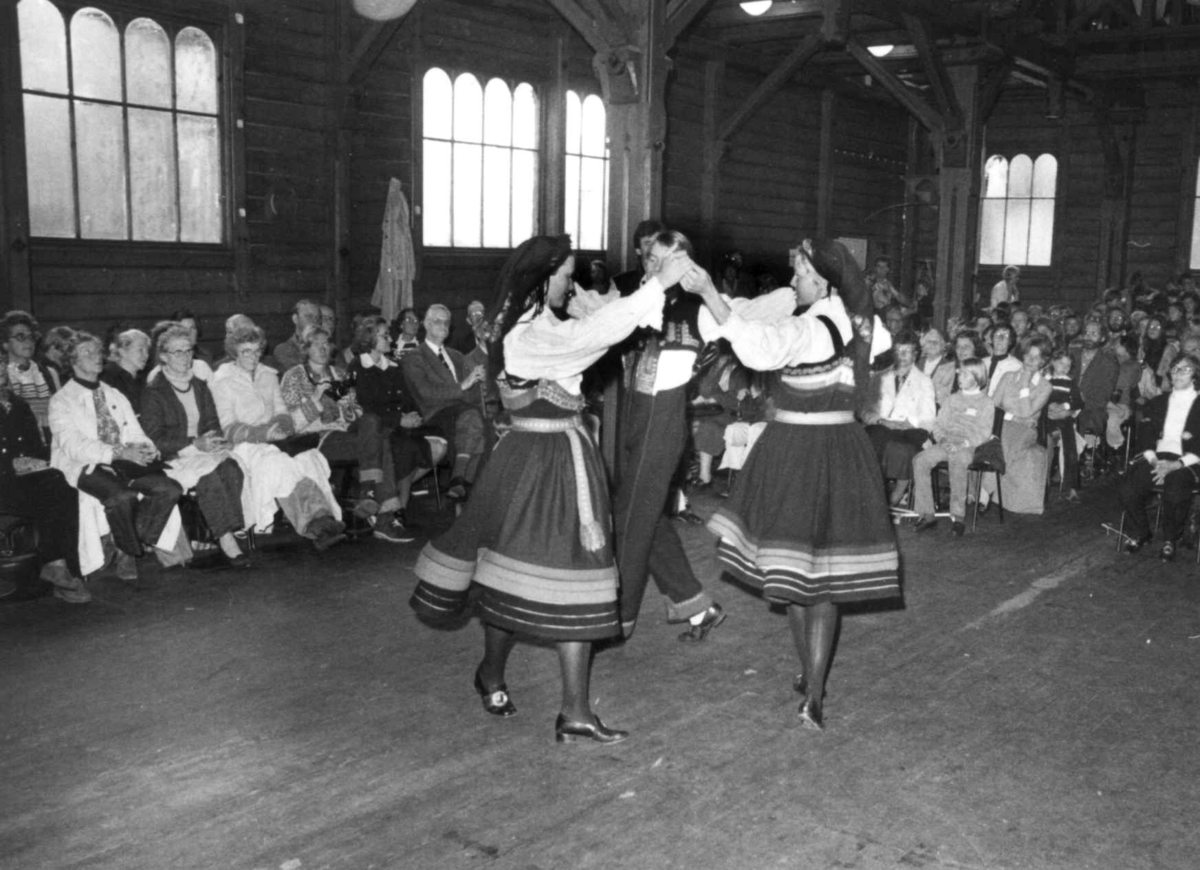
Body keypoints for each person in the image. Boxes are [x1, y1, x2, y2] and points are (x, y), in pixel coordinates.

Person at [410, 234, 691, 744]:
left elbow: (589, 331)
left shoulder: (541, 326)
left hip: (560, 461)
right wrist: (655, 286)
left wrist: (631, 296)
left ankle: (574, 710)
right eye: (565, 274)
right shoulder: (528, 337)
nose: (570, 283)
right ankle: (492, 672)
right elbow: (591, 338)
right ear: (543, 280)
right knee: (512, 578)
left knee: (573, 579)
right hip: (534, 466)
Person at [683, 237, 900, 730]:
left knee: (799, 575)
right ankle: (813, 683)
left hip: (797, 455)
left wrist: (712, 297)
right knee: (823, 576)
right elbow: (878, 346)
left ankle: (814, 680)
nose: (793, 283)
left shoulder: (809, 328)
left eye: (800, 275)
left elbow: (761, 350)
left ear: (821, 281)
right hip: (845, 452)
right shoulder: (863, 322)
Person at [612, 230, 726, 642]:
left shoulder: (700, 309)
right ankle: (696, 606)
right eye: (650, 258)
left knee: (630, 519)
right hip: (631, 414)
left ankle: (617, 620)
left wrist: (711, 291)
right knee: (645, 515)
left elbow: (736, 323)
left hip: (663, 419)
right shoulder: (637, 300)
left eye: (665, 260)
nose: (653, 266)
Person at [49, 332, 185, 585]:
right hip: (86, 464)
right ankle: (128, 549)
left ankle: (126, 543)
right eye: (87, 353)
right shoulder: (62, 400)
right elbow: (73, 446)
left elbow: (135, 431)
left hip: (122, 459)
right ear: (72, 361)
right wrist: (117, 453)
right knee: (123, 496)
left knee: (170, 489)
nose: (96, 357)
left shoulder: (113, 394)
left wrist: (145, 448)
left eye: (97, 351)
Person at [211, 324, 346, 551]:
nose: (253, 357)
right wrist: (263, 433)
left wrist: (280, 427)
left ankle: (325, 518)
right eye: (246, 352)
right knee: (278, 462)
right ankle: (314, 524)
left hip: (276, 439)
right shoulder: (222, 381)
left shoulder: (268, 375)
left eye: (256, 351)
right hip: (244, 445)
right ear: (234, 353)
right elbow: (227, 427)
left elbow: (282, 411)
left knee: (309, 458)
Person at [140, 324, 252, 568]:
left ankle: (220, 529)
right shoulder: (154, 392)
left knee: (232, 469)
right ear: (164, 356)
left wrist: (216, 440)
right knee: (209, 479)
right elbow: (155, 438)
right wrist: (194, 444)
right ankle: (226, 539)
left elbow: (212, 422)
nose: (185, 357)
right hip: (173, 457)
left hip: (203, 451)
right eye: (177, 352)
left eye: (188, 351)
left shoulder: (200, 386)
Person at [0, 348, 90, 602]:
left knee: (63, 485)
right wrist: (10, 464)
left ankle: (66, 569)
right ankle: (56, 565)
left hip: (21, 477)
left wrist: (34, 460)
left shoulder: (17, 404)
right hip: (3, 480)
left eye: (0, 363)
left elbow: (34, 445)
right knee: (47, 494)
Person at [349, 315, 441, 543]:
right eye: (384, 335)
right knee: (386, 439)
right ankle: (388, 514)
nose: (390, 339)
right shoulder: (358, 366)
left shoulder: (393, 367)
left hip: (393, 427)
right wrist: (399, 420)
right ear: (370, 339)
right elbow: (366, 406)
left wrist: (412, 416)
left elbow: (409, 401)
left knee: (413, 445)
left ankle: (374, 498)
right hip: (367, 429)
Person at [1117, 354, 1200, 561]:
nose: (1178, 373)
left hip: (1189, 459)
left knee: (1175, 489)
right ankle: (1141, 532)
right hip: (1157, 456)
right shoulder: (1157, 402)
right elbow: (1145, 437)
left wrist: (1176, 464)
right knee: (1129, 487)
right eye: (1175, 369)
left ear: (1195, 375)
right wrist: (1155, 462)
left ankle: (1170, 539)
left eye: (1185, 369)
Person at [399, 304, 486, 500]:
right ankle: (462, 480)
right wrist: (462, 387)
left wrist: (474, 386)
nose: (444, 325)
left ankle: (461, 485)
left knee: (481, 424)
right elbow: (425, 393)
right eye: (438, 321)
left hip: (462, 413)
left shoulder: (457, 356)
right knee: (474, 420)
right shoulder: (414, 357)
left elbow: (471, 394)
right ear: (426, 325)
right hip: (434, 416)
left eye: (447, 322)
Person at [911, 358, 995, 535]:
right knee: (920, 460)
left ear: (977, 377)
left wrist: (963, 444)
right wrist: (942, 440)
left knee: (958, 460)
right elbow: (938, 424)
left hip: (969, 445)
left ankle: (958, 516)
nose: (959, 376)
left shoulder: (986, 402)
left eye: (965, 374)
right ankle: (927, 514)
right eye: (959, 373)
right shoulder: (951, 399)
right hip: (947, 442)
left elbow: (984, 433)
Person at [863, 330, 937, 507]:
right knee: (875, 435)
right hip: (882, 427)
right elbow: (866, 411)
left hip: (909, 430)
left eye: (908, 351)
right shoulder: (879, 377)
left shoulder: (925, 381)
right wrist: (881, 420)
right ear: (893, 352)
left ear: (916, 354)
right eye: (898, 350)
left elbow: (928, 417)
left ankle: (895, 494)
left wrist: (907, 424)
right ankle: (872, 493)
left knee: (903, 447)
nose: (903, 355)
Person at [991, 334, 1054, 514]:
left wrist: (1025, 383)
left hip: (1025, 430)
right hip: (1002, 425)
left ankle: (987, 491)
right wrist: (1013, 417)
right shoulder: (1008, 376)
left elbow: (1027, 414)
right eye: (1028, 355)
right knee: (995, 440)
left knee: (1007, 443)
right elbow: (993, 406)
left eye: (1037, 357)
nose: (1031, 360)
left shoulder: (1045, 387)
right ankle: (988, 490)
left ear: (1043, 361)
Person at [2, 311, 57, 428]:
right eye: (20, 337)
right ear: (5, 344)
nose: (28, 342)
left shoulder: (49, 373)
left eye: (32, 337)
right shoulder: (2, 375)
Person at [101, 328, 151, 415]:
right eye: (140, 349)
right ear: (123, 351)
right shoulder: (107, 377)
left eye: (147, 351)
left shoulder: (143, 380)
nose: (146, 355)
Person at [271, 299, 321, 372]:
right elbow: (299, 375)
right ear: (295, 319)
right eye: (309, 316)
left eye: (317, 318)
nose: (314, 321)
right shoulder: (283, 349)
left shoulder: (327, 347)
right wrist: (305, 344)